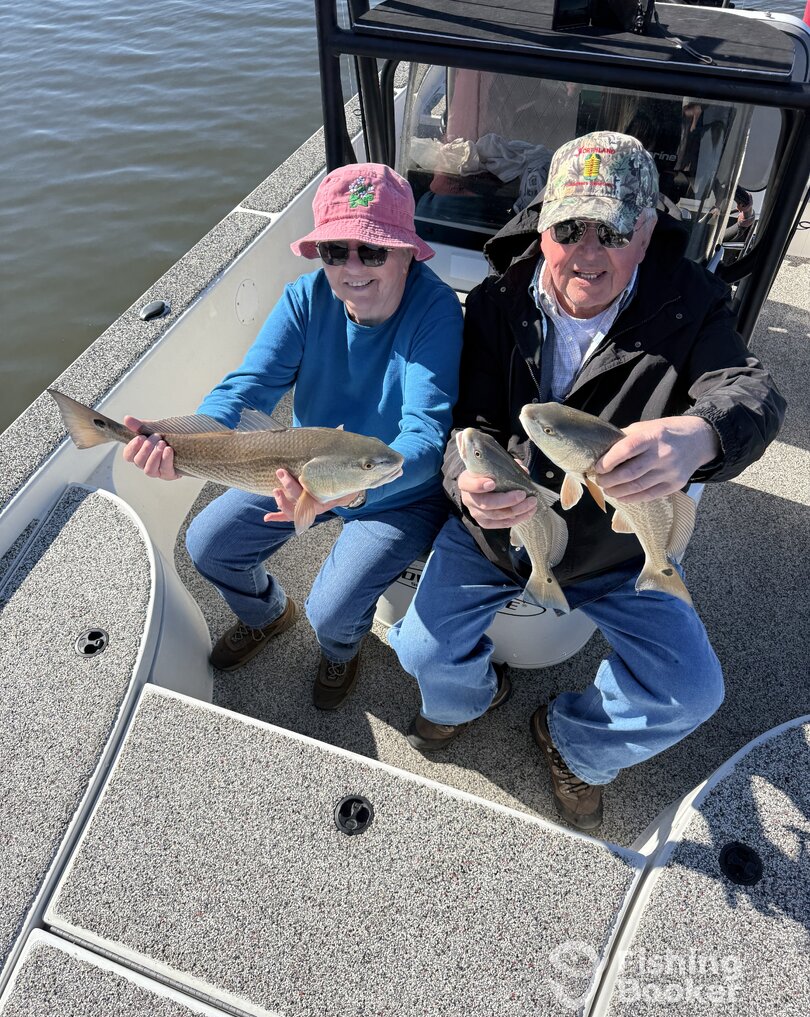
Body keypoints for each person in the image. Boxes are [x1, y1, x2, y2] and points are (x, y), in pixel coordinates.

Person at [389, 131, 786, 832]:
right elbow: (468, 423)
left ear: (647, 232)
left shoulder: (691, 303)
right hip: (501, 533)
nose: (588, 251)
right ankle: (470, 698)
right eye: (569, 228)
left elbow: (753, 393)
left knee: (692, 691)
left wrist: (701, 435)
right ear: (543, 227)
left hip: (618, 548)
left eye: (613, 231)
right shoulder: (495, 302)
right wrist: (467, 484)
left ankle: (573, 742)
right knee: (421, 650)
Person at [123, 163, 462, 708]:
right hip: (302, 467)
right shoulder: (304, 298)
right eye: (335, 251)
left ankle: (340, 650)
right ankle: (267, 613)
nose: (353, 267)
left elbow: (425, 435)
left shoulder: (437, 311)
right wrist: (182, 443)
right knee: (208, 544)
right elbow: (247, 388)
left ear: (407, 253)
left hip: (395, 488)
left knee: (331, 613)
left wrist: (354, 492)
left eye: (373, 251)